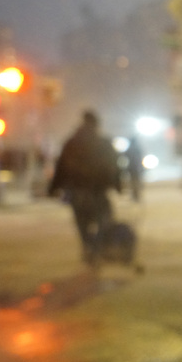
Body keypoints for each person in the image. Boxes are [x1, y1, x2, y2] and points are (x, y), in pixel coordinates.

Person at [48, 110, 122, 263]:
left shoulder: (71, 143)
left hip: (77, 190)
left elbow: (61, 167)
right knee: (104, 220)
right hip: (98, 191)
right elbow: (114, 166)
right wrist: (117, 185)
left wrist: (53, 188)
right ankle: (96, 247)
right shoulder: (103, 142)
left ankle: (88, 246)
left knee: (81, 222)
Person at [123, 135, 145, 202]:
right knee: (136, 182)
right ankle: (136, 195)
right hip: (136, 167)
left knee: (133, 182)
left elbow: (125, 156)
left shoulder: (129, 149)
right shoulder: (137, 148)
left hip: (131, 167)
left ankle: (134, 195)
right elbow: (140, 157)